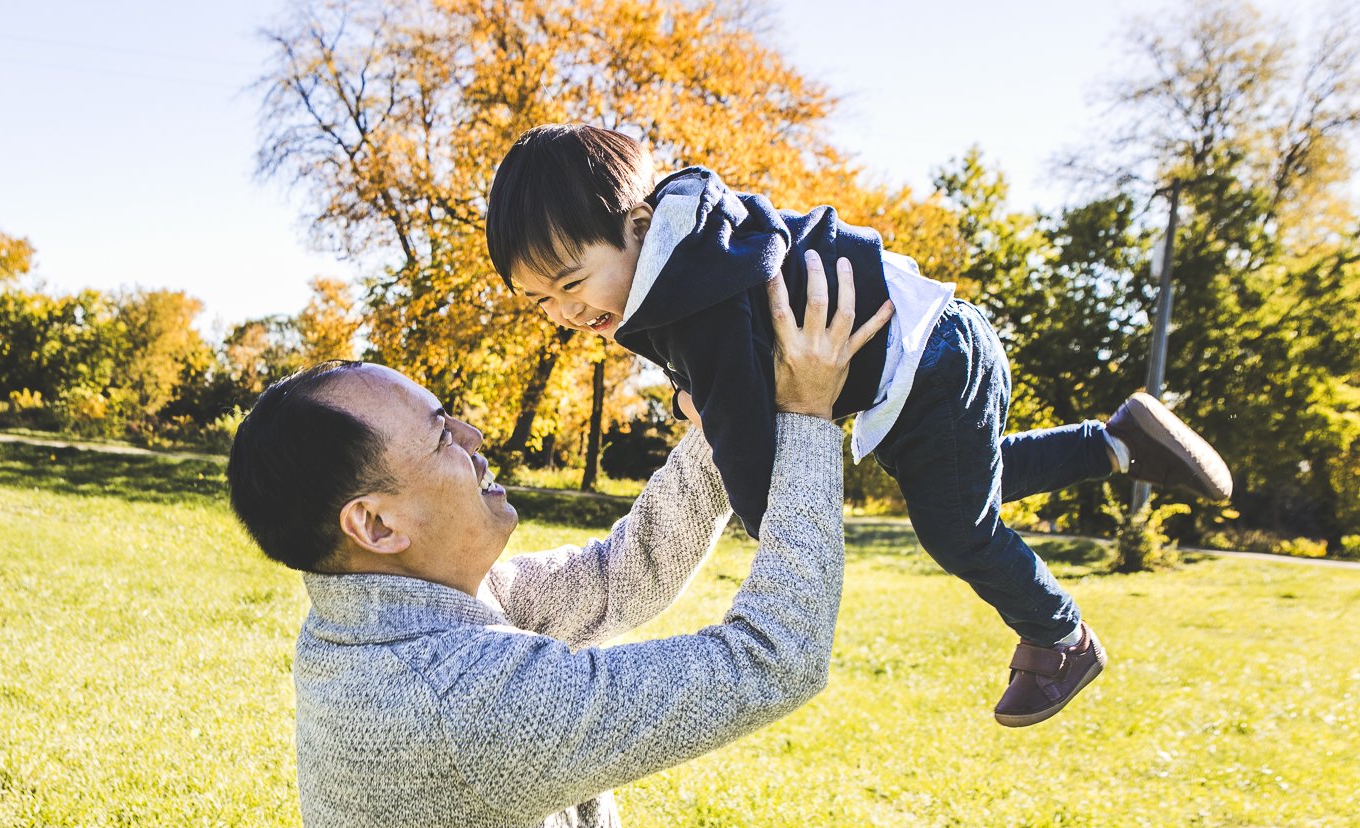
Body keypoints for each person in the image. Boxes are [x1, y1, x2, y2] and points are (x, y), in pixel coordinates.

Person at [225, 260, 892, 828]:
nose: (474, 435)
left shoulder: (396, 614)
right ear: (377, 525)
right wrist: (806, 419)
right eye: (441, 437)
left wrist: (723, 419)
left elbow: (623, 576)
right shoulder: (452, 698)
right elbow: (773, 657)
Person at [485, 122, 1233, 728]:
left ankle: (1060, 636)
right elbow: (735, 370)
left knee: (956, 529)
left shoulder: (693, 297)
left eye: (572, 283)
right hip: (931, 348)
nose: (565, 312)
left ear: (640, 226)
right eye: (540, 301)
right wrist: (698, 394)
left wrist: (780, 531)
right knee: (965, 485)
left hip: (925, 359)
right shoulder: (697, 245)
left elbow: (745, 440)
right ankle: (1117, 444)